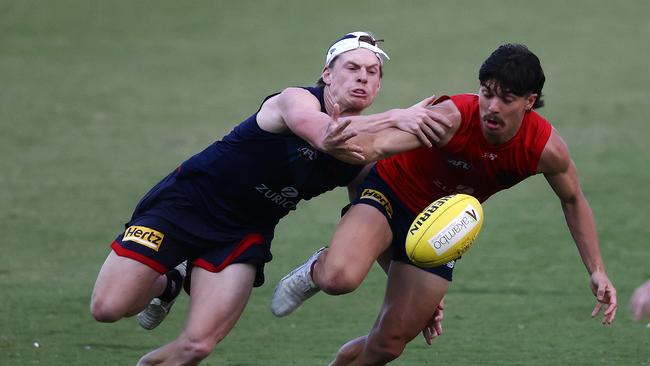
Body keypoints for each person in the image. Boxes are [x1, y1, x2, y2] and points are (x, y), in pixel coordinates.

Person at [89, 31, 452, 365]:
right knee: (107, 308)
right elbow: (325, 136)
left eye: (373, 72)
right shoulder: (294, 100)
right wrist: (396, 117)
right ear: (327, 74)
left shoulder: (361, 159)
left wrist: (417, 299)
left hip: (244, 232)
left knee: (198, 346)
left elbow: (372, 227)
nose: (363, 77)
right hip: (185, 205)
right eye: (352, 68)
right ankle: (169, 281)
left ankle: (168, 295)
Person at [271, 43, 618, 365]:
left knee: (388, 345)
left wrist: (596, 269)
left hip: (441, 229)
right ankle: (318, 267)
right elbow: (374, 149)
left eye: (507, 99)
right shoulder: (452, 117)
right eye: (487, 94)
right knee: (339, 278)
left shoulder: (544, 148)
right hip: (389, 194)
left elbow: (572, 199)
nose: (492, 107)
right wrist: (320, 136)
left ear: (530, 100)